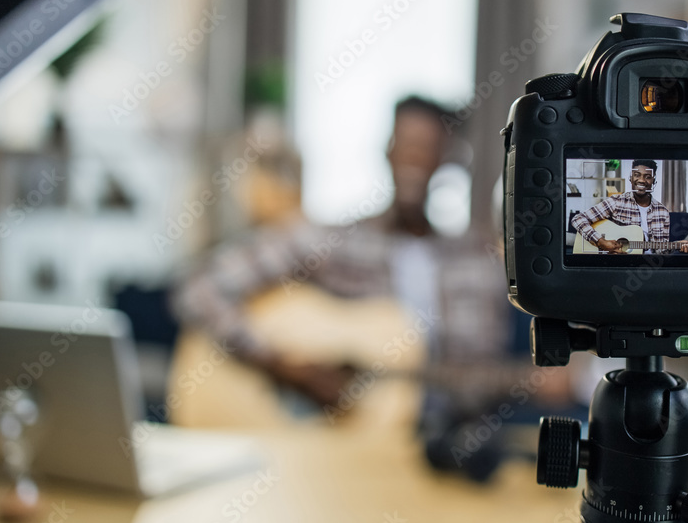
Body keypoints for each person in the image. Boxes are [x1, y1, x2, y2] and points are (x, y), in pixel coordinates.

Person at [171, 96, 523, 414]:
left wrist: (529, 382)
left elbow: (478, 384)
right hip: (332, 455)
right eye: (406, 144)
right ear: (387, 151)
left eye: (427, 147)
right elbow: (200, 288)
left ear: (447, 160)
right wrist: (283, 367)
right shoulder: (333, 241)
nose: (414, 157)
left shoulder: (480, 262)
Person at [570, 159, 688, 253]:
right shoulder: (616, 202)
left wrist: (678, 245)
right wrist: (601, 242)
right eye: (637, 175)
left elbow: (661, 251)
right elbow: (578, 219)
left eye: (648, 177)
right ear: (630, 178)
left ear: (654, 182)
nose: (641, 180)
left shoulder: (662, 212)